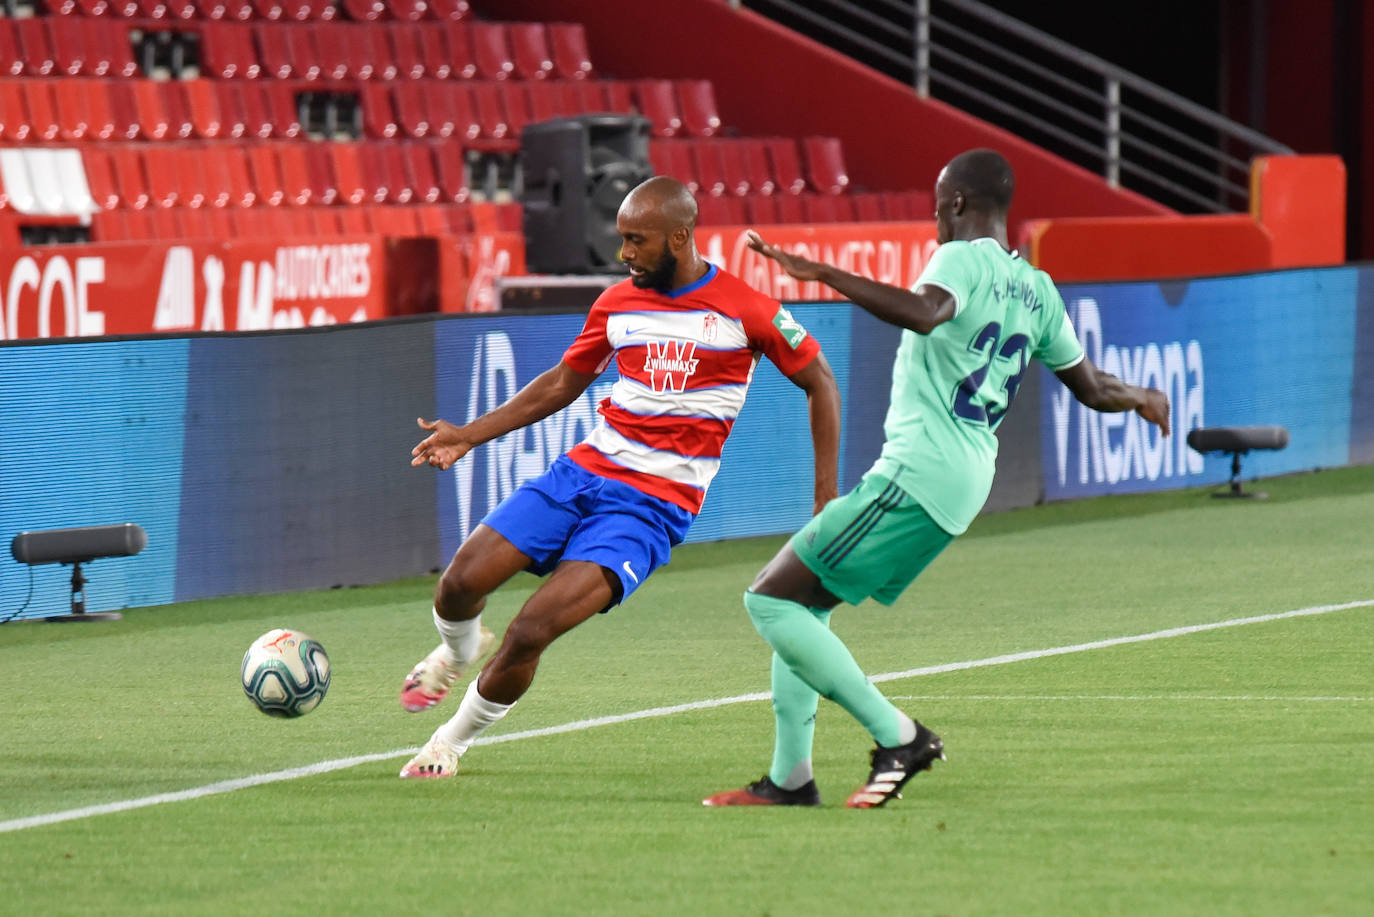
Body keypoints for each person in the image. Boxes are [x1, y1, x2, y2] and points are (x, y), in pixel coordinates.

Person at [703, 148, 1172, 809]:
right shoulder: (1037, 287)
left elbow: (925, 312)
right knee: (804, 604)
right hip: (965, 478)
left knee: (770, 600)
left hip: (920, 468)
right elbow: (1092, 386)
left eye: (935, 208)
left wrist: (822, 272)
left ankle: (900, 735)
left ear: (957, 205)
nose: (934, 224)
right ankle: (790, 778)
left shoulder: (960, 257)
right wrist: (1143, 396)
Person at [397, 176, 841, 779]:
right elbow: (562, 383)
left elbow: (821, 383)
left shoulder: (748, 310)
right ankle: (459, 648)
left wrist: (824, 499)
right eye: (623, 240)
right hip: (581, 474)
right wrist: (470, 434)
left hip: (652, 507)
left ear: (680, 238)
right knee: (458, 583)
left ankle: (448, 743)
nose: (625, 253)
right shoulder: (617, 303)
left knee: (531, 629)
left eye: (637, 240)